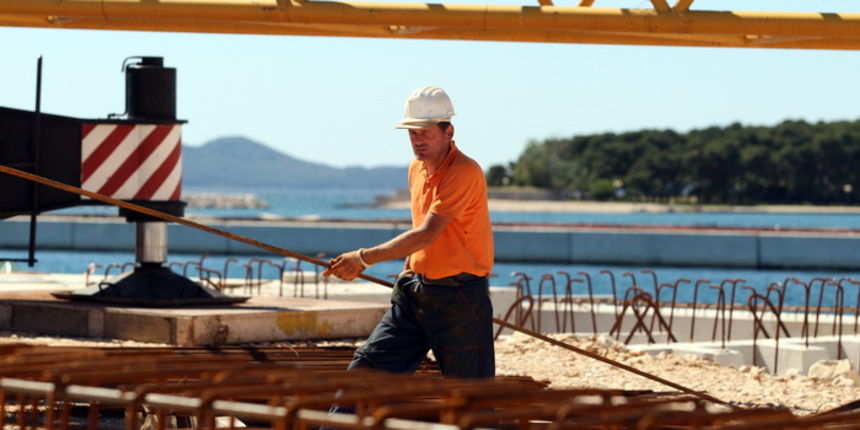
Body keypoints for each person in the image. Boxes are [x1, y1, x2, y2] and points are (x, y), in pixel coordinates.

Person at [323, 85, 495, 379]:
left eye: (425, 132)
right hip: (416, 291)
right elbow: (420, 230)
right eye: (412, 133)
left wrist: (362, 258)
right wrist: (407, 270)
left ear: (448, 132)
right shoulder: (416, 168)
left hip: (459, 298)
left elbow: (428, 233)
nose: (418, 140)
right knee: (365, 373)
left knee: (470, 395)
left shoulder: (464, 171)